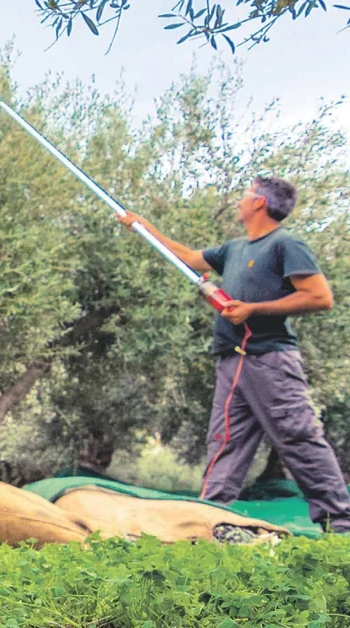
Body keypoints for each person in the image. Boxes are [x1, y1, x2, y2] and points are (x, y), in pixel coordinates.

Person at [118, 176, 350, 534]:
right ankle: (208, 524)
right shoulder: (235, 249)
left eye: (245, 194)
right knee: (225, 443)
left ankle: (341, 526)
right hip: (232, 359)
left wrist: (252, 309)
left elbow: (320, 297)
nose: (240, 200)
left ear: (259, 203)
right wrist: (144, 227)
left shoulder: (285, 244)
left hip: (270, 359)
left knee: (297, 438)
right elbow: (192, 259)